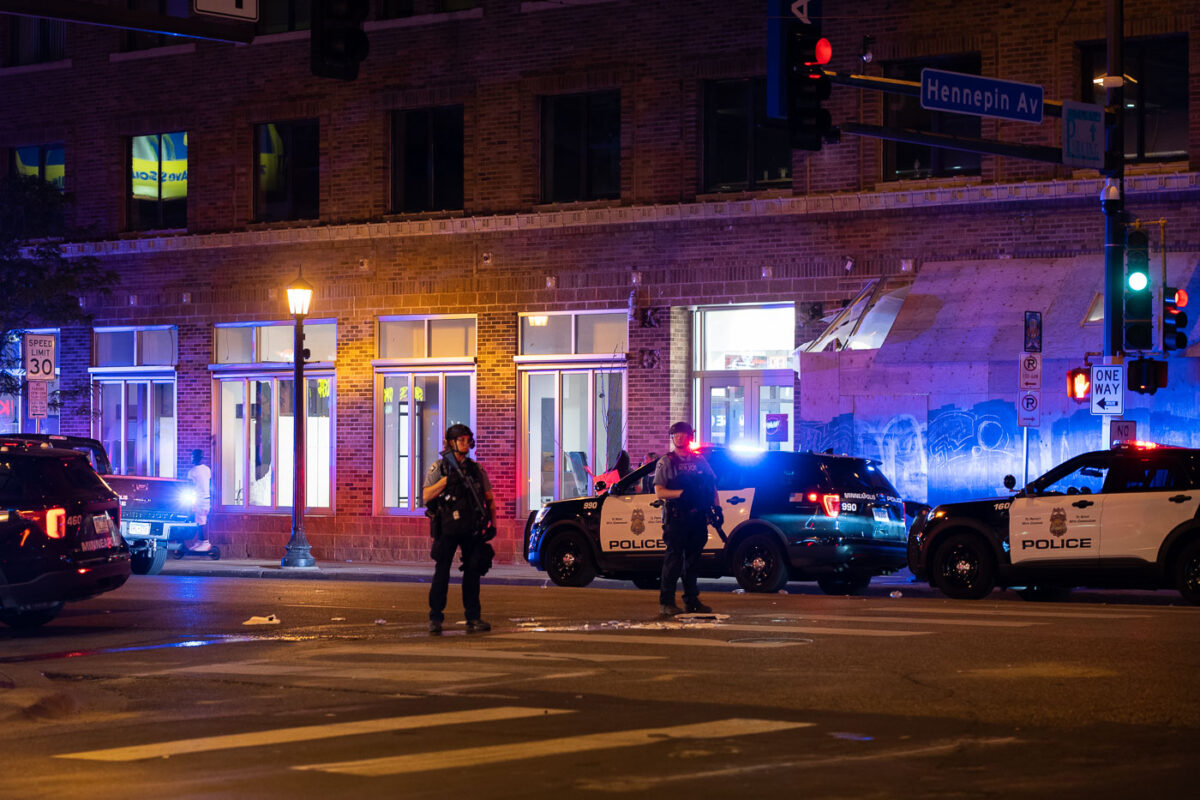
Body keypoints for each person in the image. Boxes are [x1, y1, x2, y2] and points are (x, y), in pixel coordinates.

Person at [423, 423, 497, 635]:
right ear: (451, 443)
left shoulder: (476, 469)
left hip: (471, 527)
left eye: (467, 439)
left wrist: (493, 523)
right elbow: (427, 495)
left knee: (473, 571)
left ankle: (473, 617)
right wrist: (447, 481)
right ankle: (435, 618)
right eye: (461, 440)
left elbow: (489, 499)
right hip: (447, 527)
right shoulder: (439, 468)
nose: (466, 444)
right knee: (442, 572)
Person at [654, 422, 718, 617]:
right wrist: (682, 493)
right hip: (676, 517)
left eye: (683, 434)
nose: (679, 437)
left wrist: (717, 507)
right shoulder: (666, 462)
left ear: (689, 437)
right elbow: (659, 492)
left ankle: (691, 600)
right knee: (673, 559)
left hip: (697, 517)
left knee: (692, 561)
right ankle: (667, 602)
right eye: (676, 434)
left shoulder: (700, 461)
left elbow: (711, 486)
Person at [186, 449, 212, 552]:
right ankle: (201, 541)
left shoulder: (192, 472)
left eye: (192, 456)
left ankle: (205, 542)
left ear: (195, 457)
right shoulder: (207, 469)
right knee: (201, 519)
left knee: (201, 520)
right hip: (206, 498)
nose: (191, 458)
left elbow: (189, 485)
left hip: (199, 498)